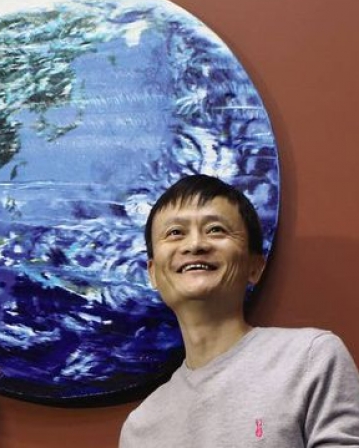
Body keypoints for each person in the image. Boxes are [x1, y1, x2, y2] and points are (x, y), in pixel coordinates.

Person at [119, 174, 359, 447]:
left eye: (215, 229)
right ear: (152, 273)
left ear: (255, 267)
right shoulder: (140, 429)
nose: (195, 244)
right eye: (175, 233)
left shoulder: (310, 358)